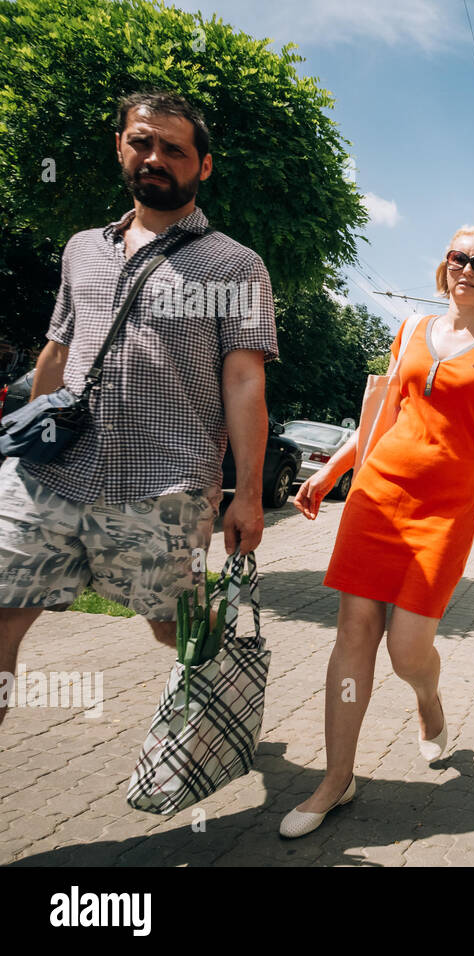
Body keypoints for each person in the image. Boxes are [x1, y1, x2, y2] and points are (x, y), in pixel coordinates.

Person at [0, 91, 277, 728]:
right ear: (121, 148)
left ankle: (221, 713)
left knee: (172, 626)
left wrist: (248, 496)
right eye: (142, 143)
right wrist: (26, 446)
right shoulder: (82, 249)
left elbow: (244, 383)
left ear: (203, 165)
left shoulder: (234, 265)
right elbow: (57, 350)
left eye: (174, 149)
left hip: (164, 487)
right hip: (51, 476)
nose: (155, 158)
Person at [282, 225, 474, 837]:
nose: (467, 268)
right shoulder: (412, 329)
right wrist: (332, 471)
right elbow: (382, 415)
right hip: (377, 496)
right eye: (458, 257)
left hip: (443, 513)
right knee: (354, 633)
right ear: (445, 267)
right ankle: (337, 779)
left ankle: (428, 698)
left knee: (408, 651)